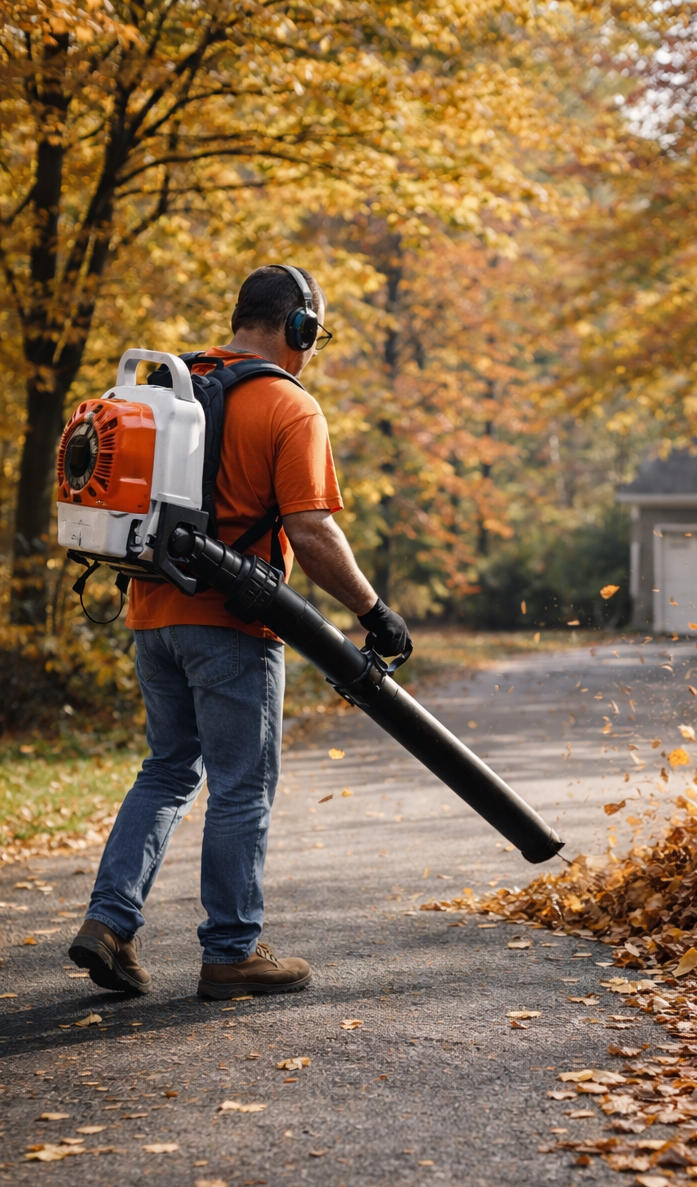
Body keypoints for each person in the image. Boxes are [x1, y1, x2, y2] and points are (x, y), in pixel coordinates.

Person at [69, 264, 410, 1000]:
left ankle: (109, 924)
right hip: (233, 625)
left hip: (153, 615)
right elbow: (312, 532)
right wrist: (374, 611)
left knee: (166, 770)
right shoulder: (288, 405)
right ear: (300, 329)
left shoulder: (168, 389)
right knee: (241, 789)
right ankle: (232, 952)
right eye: (313, 336)